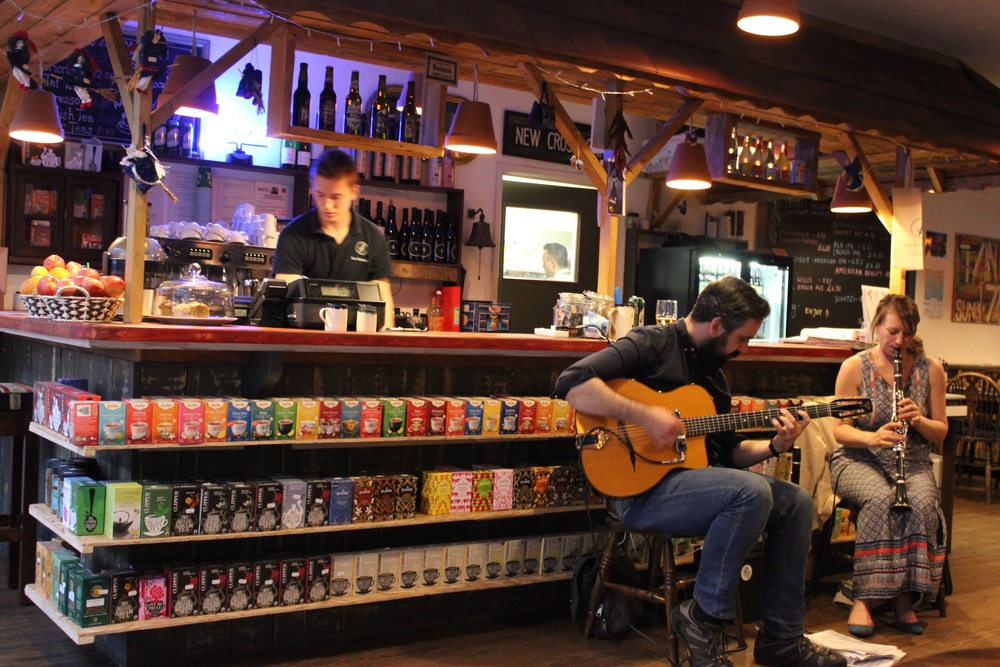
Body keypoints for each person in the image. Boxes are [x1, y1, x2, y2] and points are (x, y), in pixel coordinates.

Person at [554, 276, 845, 667]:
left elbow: (730, 451)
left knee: (796, 502)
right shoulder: (650, 343)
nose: (745, 349)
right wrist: (645, 415)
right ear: (717, 325)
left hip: (693, 486)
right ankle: (704, 619)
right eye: (742, 338)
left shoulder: (714, 376)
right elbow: (571, 382)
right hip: (638, 493)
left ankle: (782, 638)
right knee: (750, 493)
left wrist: (776, 445)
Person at [830, 294, 947, 637]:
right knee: (882, 500)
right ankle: (864, 599)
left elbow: (940, 431)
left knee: (922, 503)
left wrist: (920, 420)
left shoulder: (932, 369)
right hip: (858, 458)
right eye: (893, 332)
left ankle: (902, 597)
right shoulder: (854, 368)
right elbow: (840, 431)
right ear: (876, 326)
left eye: (907, 334)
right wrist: (872, 438)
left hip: (911, 461)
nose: (900, 342)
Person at [274, 149, 394, 323]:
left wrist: (388, 341)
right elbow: (288, 299)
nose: (327, 205)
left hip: (358, 341)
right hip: (303, 341)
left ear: (354, 191)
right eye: (320, 195)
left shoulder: (373, 237)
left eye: (335, 197)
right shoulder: (293, 234)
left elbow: (383, 299)